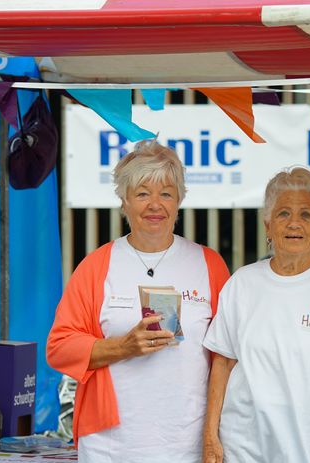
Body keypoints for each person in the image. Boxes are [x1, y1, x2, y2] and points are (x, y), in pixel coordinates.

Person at [46, 140, 230, 462]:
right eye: (142, 193)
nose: (154, 205)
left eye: (166, 194)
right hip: (110, 443)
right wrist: (123, 346)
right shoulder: (97, 265)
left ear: (179, 201)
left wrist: (215, 433)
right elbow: (59, 347)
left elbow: (227, 357)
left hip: (188, 440)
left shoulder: (209, 264)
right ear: (124, 201)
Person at [202, 167, 310, 463]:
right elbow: (223, 362)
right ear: (268, 225)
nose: (294, 223)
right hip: (243, 447)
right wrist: (210, 437)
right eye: (283, 214)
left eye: (306, 215)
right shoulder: (242, 283)